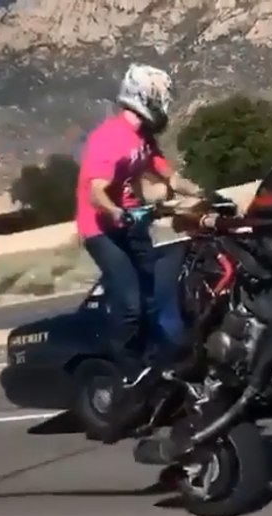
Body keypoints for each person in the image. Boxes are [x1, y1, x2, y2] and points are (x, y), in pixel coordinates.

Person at [74, 62, 203, 442]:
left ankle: (155, 370)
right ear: (146, 97)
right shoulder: (109, 138)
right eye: (162, 97)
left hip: (132, 224)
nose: (166, 105)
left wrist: (203, 194)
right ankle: (129, 374)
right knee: (130, 304)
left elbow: (170, 176)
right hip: (101, 230)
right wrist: (116, 212)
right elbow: (96, 191)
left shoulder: (144, 139)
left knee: (153, 299)